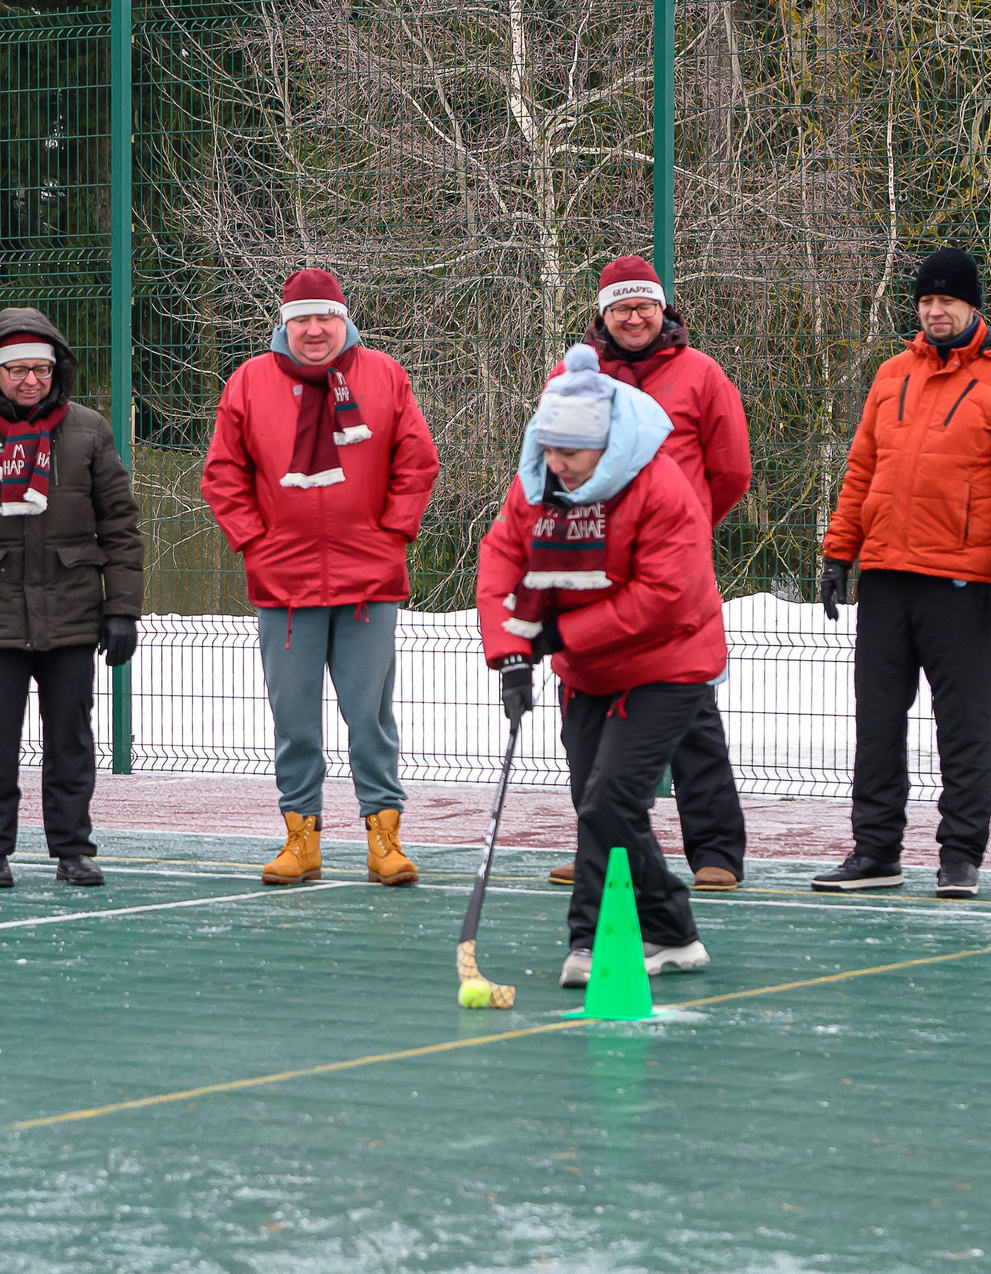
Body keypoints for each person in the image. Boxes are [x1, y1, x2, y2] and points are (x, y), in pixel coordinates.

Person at [477, 346, 724, 986]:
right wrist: (509, 653)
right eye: (550, 450)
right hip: (588, 671)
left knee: (609, 801)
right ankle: (657, 935)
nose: (558, 465)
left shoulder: (659, 487)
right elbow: (503, 563)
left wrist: (560, 633)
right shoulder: (540, 483)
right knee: (599, 804)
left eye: (572, 455)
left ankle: (600, 936)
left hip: (670, 663)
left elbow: (664, 597)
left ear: (607, 447)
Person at [813, 247, 991, 899]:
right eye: (926, 301)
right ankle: (876, 850)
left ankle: (960, 855)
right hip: (887, 573)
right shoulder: (893, 374)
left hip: (963, 581)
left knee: (964, 724)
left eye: (946, 300)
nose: (935, 311)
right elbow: (862, 470)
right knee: (877, 720)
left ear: (972, 305)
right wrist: (839, 553)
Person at [200, 268, 441, 886]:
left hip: (370, 583)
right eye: (301, 319)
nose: (314, 330)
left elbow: (416, 461)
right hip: (283, 585)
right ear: (284, 325)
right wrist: (256, 542)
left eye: (325, 318)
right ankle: (300, 839)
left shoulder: (384, 375)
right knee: (294, 717)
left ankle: (383, 840)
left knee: (371, 717)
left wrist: (391, 533)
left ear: (344, 320)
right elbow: (223, 474)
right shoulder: (248, 382)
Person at [545, 256, 755, 893]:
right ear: (603, 315)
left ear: (663, 310)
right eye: (621, 308)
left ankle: (716, 850)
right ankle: (602, 850)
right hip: (590, 572)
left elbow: (732, 470)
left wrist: (681, 534)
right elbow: (548, 463)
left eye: (645, 306)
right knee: (586, 709)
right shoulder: (571, 376)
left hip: (672, 580)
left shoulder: (701, 374)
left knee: (687, 708)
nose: (634, 318)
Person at [0, 307, 143, 888]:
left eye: (40, 370)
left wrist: (121, 609)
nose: (30, 382)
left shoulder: (90, 433)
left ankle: (73, 848)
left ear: (56, 370)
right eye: (16, 370)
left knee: (70, 740)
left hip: (72, 613)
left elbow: (120, 526)